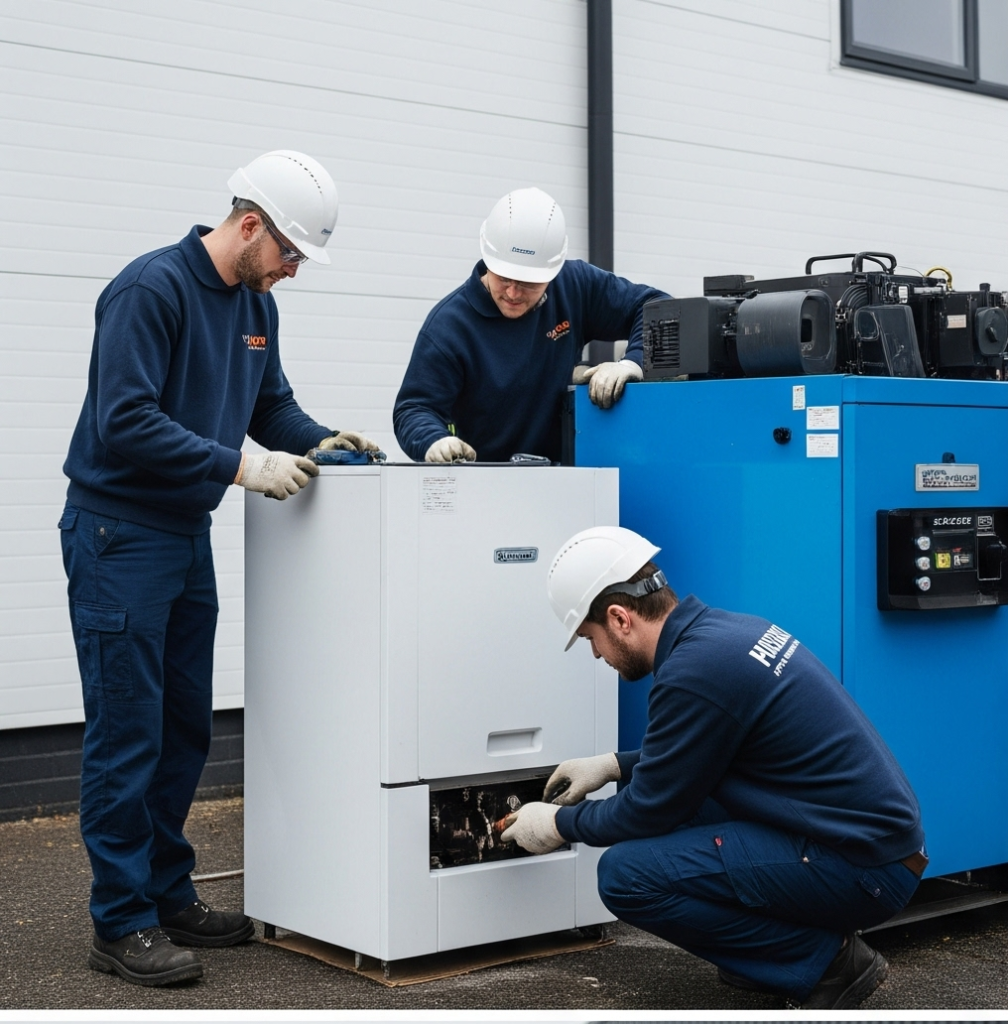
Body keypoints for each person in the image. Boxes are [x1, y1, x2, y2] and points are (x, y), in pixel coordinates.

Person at [59, 150, 379, 987]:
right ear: (248, 224)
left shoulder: (254, 304)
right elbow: (125, 420)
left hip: (181, 534)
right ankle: (120, 922)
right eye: (289, 252)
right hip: (118, 534)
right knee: (127, 732)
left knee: (183, 726)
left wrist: (319, 442)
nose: (293, 268)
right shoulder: (149, 290)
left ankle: (167, 894)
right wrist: (242, 470)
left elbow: (269, 406)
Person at [501, 526, 927, 1010]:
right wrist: (614, 766)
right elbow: (702, 752)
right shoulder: (725, 633)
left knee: (626, 874)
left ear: (619, 618)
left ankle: (828, 962)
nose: (597, 654)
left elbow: (646, 812)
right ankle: (771, 954)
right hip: (870, 846)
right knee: (688, 813)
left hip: (864, 870)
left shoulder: (692, 673)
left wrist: (557, 824)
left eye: (590, 638)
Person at [393, 187, 668, 463]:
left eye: (528, 283)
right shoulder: (449, 328)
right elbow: (414, 408)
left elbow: (657, 307)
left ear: (553, 270)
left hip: (564, 478)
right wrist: (433, 441)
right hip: (486, 483)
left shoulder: (574, 287)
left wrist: (633, 363)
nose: (513, 293)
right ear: (488, 260)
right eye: (504, 278)